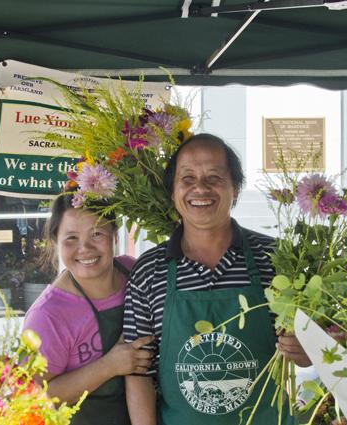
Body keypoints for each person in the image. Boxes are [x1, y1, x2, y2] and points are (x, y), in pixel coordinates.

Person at [123, 134, 312, 425]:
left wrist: (306, 348)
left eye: (214, 177)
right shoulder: (149, 271)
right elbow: (139, 371)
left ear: (235, 188)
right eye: (187, 178)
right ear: (173, 191)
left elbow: (313, 351)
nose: (200, 187)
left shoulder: (276, 259)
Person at [23, 194, 154, 425]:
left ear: (114, 235)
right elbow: (34, 396)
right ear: (56, 241)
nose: (85, 248)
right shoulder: (47, 316)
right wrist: (110, 366)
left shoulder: (133, 272)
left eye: (96, 234)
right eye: (71, 238)